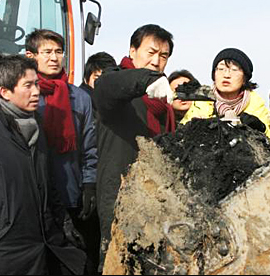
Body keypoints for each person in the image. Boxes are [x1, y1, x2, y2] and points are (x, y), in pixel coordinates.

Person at [0, 55, 86, 275]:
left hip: (44, 246)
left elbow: (48, 184)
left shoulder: (38, 128)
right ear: (5, 92)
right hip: (5, 253)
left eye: (36, 84)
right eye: (28, 86)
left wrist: (65, 225)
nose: (36, 92)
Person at [93, 24, 176, 272]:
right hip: (120, 196)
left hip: (154, 198)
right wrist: (146, 80)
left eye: (163, 56)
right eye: (150, 52)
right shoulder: (117, 87)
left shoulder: (163, 103)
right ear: (132, 51)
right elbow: (106, 86)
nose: (156, 61)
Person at [25, 29, 98, 274]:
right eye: (47, 52)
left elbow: (90, 145)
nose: (54, 58)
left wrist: (89, 184)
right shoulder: (24, 96)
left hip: (71, 192)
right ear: (31, 56)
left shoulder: (79, 98)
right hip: (35, 198)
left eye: (59, 52)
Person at [181, 48, 270, 141]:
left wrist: (261, 128)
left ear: (245, 79)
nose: (226, 75)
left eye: (234, 69)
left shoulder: (255, 103)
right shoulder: (202, 102)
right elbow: (182, 134)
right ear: (214, 75)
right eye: (221, 69)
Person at [79, 51, 117, 118]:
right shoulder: (80, 104)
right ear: (86, 79)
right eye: (97, 78)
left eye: (106, 78)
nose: (101, 82)